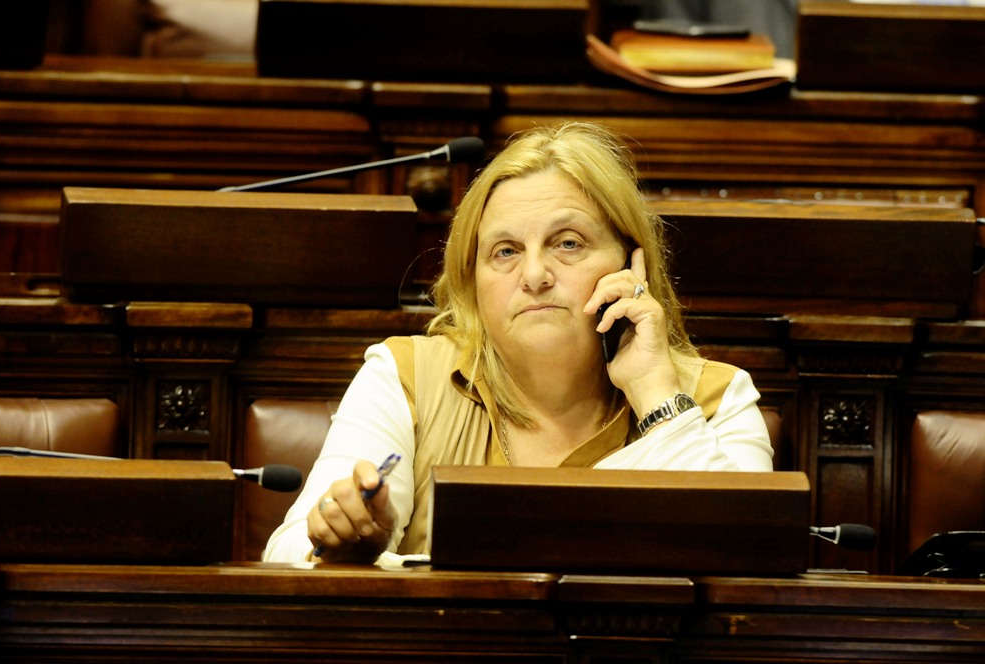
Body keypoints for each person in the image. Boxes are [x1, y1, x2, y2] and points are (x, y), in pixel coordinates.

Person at [263, 121, 774, 564]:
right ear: (473, 284)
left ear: (630, 262)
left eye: (567, 243)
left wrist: (656, 392)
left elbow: (750, 564)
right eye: (505, 251)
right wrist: (346, 547)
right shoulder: (404, 377)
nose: (534, 275)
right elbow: (288, 555)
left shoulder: (715, 400)